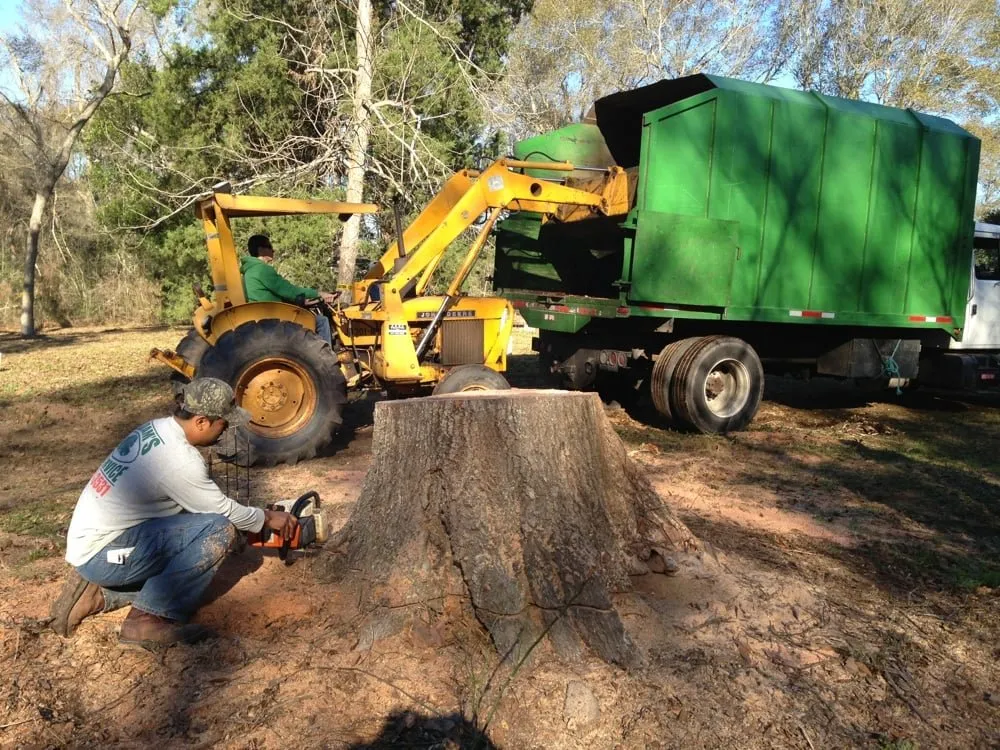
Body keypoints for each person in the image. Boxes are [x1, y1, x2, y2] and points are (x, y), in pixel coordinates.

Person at [49, 378, 298, 650]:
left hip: (101, 542)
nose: (224, 432)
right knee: (218, 529)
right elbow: (221, 512)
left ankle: (100, 594)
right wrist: (267, 518)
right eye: (223, 425)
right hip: (103, 553)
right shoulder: (180, 460)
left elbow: (193, 506)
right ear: (202, 421)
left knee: (198, 541)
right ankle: (145, 621)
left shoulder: (156, 429)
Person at [240, 234, 338, 345]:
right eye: (270, 246)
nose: (273, 250)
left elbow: (277, 294)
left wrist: (307, 300)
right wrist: (319, 293)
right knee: (321, 321)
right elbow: (290, 291)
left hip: (265, 316)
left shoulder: (248, 271)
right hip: (274, 318)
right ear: (261, 250)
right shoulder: (262, 270)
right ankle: (325, 359)